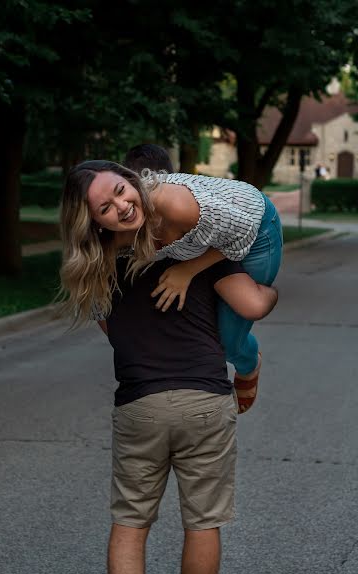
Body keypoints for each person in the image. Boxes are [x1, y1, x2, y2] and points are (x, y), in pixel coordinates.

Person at [98, 251, 278, 574]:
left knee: (130, 520)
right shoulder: (205, 251)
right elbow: (250, 304)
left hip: (140, 402)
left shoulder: (106, 259)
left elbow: (111, 328)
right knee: (203, 522)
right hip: (204, 400)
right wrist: (271, 291)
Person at [59, 160, 283, 412]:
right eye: (105, 207)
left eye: (120, 190)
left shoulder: (175, 206)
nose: (122, 207)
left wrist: (187, 271)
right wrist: (122, 339)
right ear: (94, 221)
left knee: (234, 331)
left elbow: (244, 232)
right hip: (204, 236)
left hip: (253, 229)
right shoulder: (107, 242)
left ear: (131, 180)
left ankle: (251, 362)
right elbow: (97, 297)